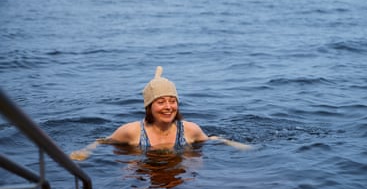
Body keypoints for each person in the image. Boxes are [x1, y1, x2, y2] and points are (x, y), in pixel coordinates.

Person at [70, 66, 251, 161]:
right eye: (161, 101)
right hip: (147, 171)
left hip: (179, 174)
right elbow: (102, 141)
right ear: (149, 107)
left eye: (172, 101)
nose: (168, 107)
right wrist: (85, 151)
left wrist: (232, 144)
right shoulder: (131, 132)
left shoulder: (189, 129)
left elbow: (209, 139)